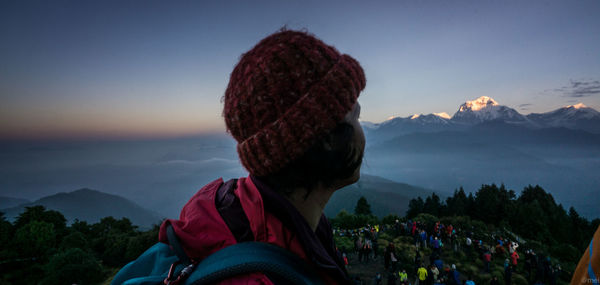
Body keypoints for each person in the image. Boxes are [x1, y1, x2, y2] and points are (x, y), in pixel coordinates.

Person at [157, 29, 366, 284]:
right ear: (327, 140)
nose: (361, 128)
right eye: (355, 115)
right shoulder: (257, 278)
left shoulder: (240, 212)